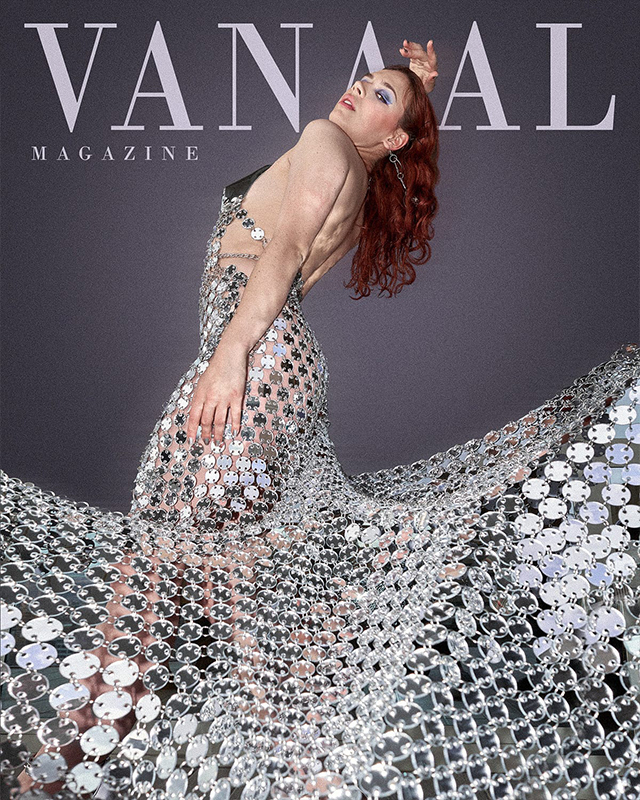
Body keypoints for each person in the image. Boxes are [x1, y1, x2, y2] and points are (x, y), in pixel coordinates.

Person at [4, 37, 640, 800]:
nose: (357, 90)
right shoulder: (356, 173)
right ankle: (266, 767)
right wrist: (412, 88)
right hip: (275, 367)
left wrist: (229, 356)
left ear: (393, 139)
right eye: (365, 81)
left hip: (256, 363)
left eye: (379, 97)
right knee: (218, 583)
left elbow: (285, 251)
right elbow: (307, 231)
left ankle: (88, 769)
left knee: (173, 579)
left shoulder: (323, 140)